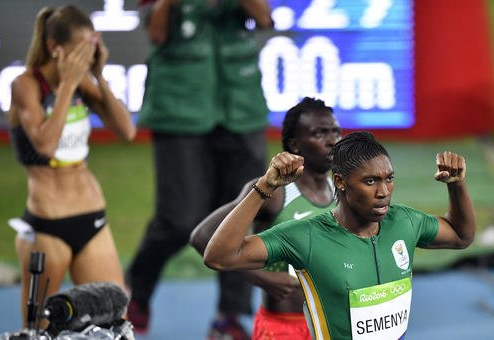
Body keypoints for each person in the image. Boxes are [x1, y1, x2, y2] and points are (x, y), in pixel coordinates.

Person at [203, 131, 476, 339]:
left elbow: (461, 236)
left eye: (389, 179)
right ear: (341, 182)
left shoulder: (405, 222)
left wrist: (456, 184)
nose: (383, 192)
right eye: (370, 181)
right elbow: (220, 256)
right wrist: (265, 187)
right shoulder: (306, 237)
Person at [125, 0, 273, 337]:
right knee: (178, 219)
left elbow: (263, 17)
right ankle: (137, 291)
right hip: (179, 109)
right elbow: (156, 32)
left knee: (241, 216)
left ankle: (230, 316)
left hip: (240, 108)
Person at [7, 5, 136, 328]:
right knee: (41, 328)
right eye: (82, 51)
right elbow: (45, 144)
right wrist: (66, 84)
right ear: (55, 48)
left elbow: (126, 131)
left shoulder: (83, 84)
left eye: (91, 48)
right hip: (48, 227)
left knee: (114, 321)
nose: (86, 57)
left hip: (92, 220)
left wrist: (99, 74)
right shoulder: (26, 85)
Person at [190, 97, 341, 339]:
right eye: (320, 133)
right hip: (284, 327)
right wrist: (259, 277)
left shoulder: (341, 191)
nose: (333, 141)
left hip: (333, 325)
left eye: (335, 131)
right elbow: (202, 237)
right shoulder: (274, 192)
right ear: (295, 144)